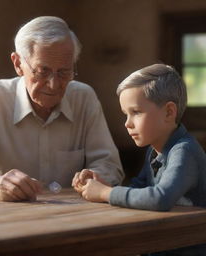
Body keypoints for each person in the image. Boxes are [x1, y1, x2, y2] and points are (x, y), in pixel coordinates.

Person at [0, 16, 124, 202]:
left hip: (73, 217)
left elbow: (110, 165)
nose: (53, 84)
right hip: (5, 222)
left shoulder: (84, 98)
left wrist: (95, 176)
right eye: (43, 71)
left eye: (64, 72)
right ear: (18, 64)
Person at [73, 63, 206, 255]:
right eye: (125, 114)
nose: (127, 123)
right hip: (159, 244)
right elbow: (138, 190)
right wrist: (101, 185)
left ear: (169, 112)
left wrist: (105, 193)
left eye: (135, 112)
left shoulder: (184, 151)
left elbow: (160, 198)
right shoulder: (153, 150)